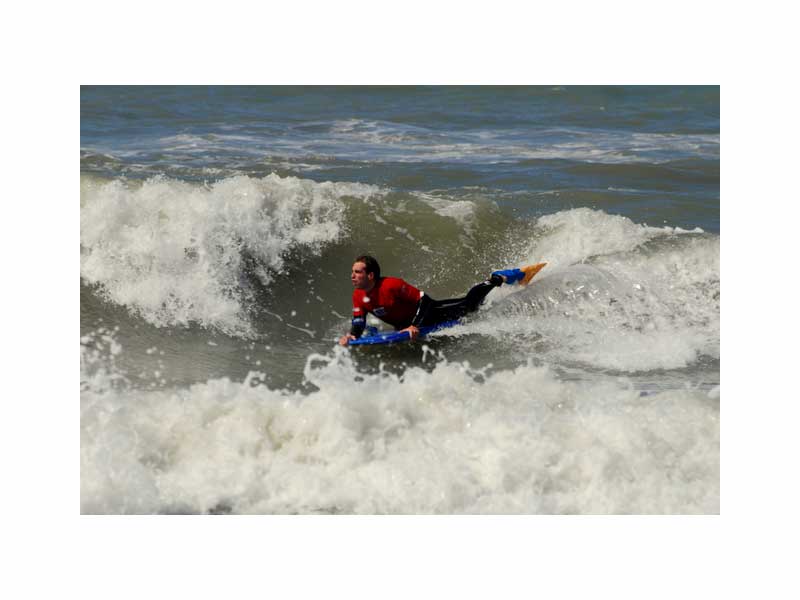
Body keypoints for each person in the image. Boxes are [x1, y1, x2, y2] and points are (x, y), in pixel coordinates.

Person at [338, 255, 530, 345]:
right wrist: (352, 335)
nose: (352, 276)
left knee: (469, 306)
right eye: (352, 272)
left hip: (431, 313)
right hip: (407, 325)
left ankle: (497, 278)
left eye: (357, 272)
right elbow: (359, 320)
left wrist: (414, 325)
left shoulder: (392, 285)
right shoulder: (358, 296)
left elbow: (424, 301)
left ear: (370, 275)